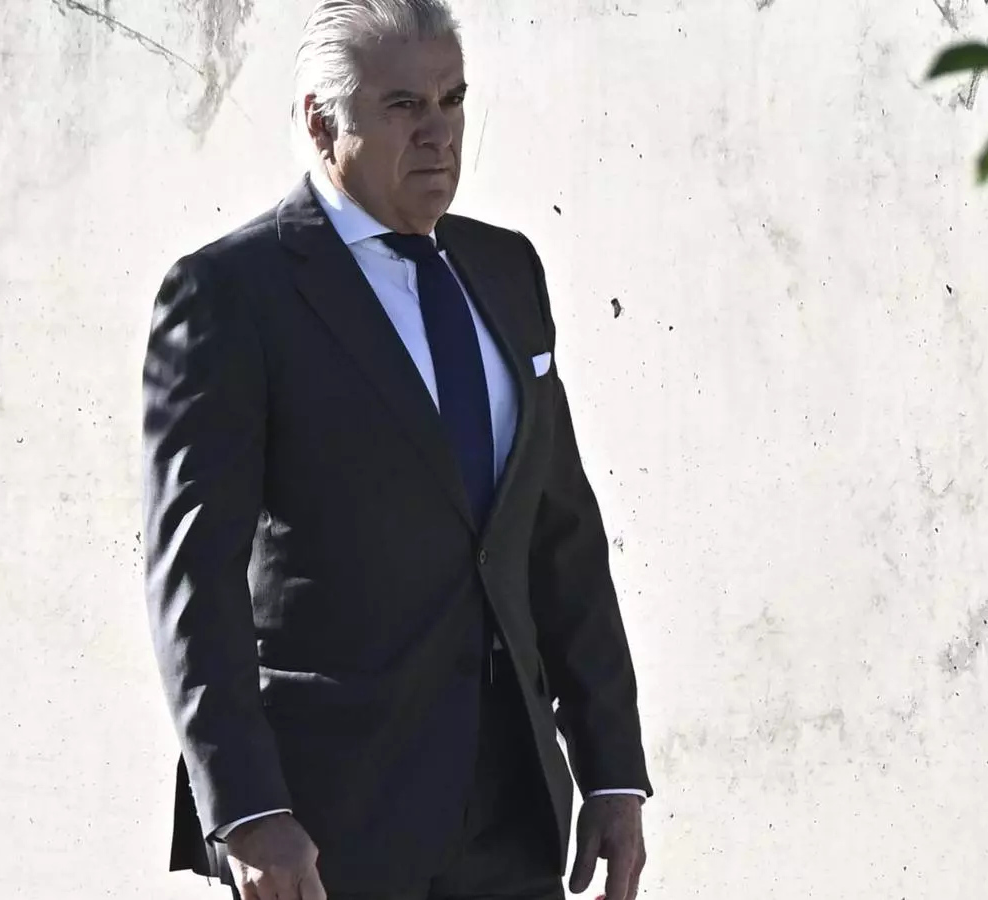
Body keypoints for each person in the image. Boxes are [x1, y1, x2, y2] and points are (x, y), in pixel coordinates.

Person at [141, 2, 651, 898]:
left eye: (452, 100)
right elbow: (195, 577)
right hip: (331, 824)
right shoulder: (230, 295)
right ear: (320, 123)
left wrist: (610, 769)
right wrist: (248, 808)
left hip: (513, 815)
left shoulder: (508, 270)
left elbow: (558, 532)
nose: (439, 133)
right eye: (403, 105)